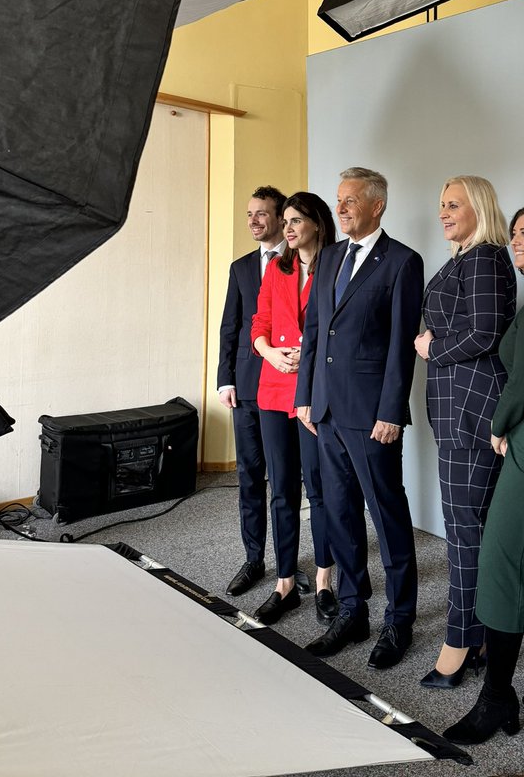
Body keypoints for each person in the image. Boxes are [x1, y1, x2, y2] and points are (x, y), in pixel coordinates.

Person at [443, 203, 524, 744]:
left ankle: (497, 699)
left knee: (499, 563)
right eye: (511, 233)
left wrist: (499, 421)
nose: (517, 242)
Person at [296, 167, 424, 670]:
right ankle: (352, 609)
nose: (342, 207)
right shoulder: (328, 257)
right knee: (341, 513)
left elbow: (401, 346)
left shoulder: (402, 262)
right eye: (339, 200)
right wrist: (305, 396)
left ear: (378, 206)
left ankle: (400, 619)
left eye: (351, 200)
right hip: (325, 409)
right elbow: (314, 331)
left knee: (387, 515)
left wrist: (392, 410)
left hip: (372, 415)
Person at [414, 176, 516, 688]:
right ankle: (473, 635)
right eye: (441, 204)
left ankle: (459, 641)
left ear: (480, 207)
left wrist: (433, 347)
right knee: (467, 529)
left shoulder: (483, 258)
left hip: (471, 413)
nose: (444, 212)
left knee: (464, 533)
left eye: (454, 203)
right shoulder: (465, 258)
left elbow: (486, 330)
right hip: (460, 412)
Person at [250, 192, 337, 626]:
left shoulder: (337, 265)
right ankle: (284, 581)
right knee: (282, 489)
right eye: (285, 220)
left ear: (317, 224)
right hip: (273, 387)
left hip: (315, 390)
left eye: (297, 219)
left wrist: (307, 356)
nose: (287, 227)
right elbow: (259, 324)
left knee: (318, 488)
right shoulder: (276, 268)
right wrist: (268, 352)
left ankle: (324, 578)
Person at [217, 185, 286, 598]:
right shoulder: (241, 267)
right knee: (249, 476)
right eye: (249, 214)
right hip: (244, 386)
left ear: (280, 218)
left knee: (283, 479)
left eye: (262, 214)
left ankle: (287, 566)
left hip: (284, 386)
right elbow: (231, 327)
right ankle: (254, 559)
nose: (254, 221)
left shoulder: (301, 263)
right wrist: (225, 379)